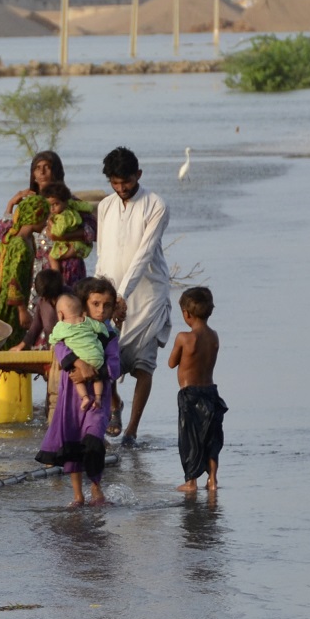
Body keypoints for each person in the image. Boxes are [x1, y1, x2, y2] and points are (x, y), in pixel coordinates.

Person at [93, 146, 171, 445]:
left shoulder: (156, 205)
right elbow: (103, 254)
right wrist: (102, 295)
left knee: (142, 364)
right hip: (111, 296)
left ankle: (132, 430)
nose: (121, 188)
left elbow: (144, 253)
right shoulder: (106, 206)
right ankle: (114, 405)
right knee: (104, 359)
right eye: (114, 183)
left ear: (138, 175)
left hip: (148, 296)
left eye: (125, 181)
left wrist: (121, 296)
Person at [36, 277, 122, 507]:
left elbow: (114, 365)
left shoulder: (108, 334)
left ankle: (96, 487)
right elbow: (59, 348)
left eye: (106, 305)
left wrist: (92, 372)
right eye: (95, 304)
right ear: (84, 304)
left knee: (93, 439)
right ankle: (77, 496)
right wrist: (78, 364)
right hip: (71, 400)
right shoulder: (67, 329)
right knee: (73, 444)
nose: (101, 310)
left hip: (97, 398)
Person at [169, 285, 225, 496]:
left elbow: (171, 363)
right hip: (211, 392)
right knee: (212, 437)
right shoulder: (214, 336)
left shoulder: (184, 337)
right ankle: (212, 479)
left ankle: (191, 481)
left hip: (190, 394)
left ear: (186, 314)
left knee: (190, 438)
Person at [49, 291, 115, 412]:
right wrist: (108, 334)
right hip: (96, 358)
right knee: (98, 379)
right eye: (96, 304)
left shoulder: (61, 327)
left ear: (60, 314)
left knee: (78, 381)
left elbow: (53, 340)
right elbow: (101, 328)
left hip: (79, 360)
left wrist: (59, 323)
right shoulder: (88, 321)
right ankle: (98, 398)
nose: (101, 310)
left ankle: (85, 398)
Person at [24, 267, 65, 349]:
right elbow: (35, 326)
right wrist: (22, 345)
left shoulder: (70, 301)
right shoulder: (42, 302)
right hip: (52, 347)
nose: (43, 299)